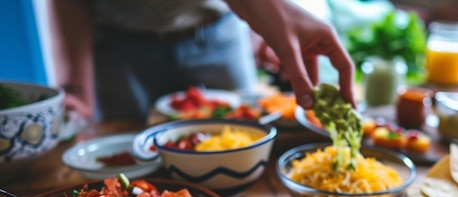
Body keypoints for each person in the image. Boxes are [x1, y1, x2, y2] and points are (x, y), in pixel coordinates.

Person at [47, 0, 355, 122]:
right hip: (118, 44)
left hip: (219, 31)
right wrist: (77, 86)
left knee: (244, 132)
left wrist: (260, 22)